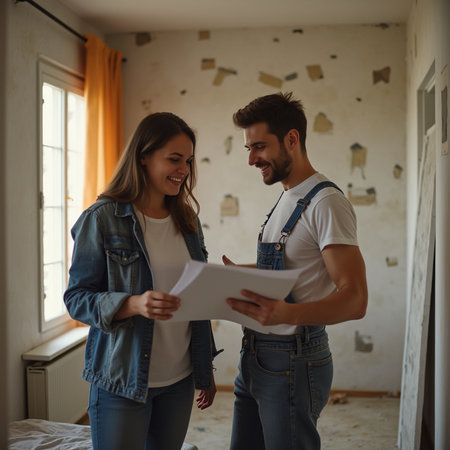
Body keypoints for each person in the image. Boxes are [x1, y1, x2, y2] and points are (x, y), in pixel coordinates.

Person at [64, 112, 220, 450]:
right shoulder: (101, 218)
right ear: (144, 157)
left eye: (188, 161)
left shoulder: (188, 220)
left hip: (179, 380)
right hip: (122, 381)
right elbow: (76, 298)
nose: (184, 170)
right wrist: (132, 304)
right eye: (174, 159)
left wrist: (204, 370)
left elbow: (197, 297)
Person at [223, 92, 368, 450]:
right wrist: (237, 275)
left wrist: (288, 313)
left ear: (292, 138)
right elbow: (294, 267)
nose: (252, 159)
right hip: (255, 355)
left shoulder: (327, 203)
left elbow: (355, 299)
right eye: (248, 149)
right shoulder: (287, 196)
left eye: (259, 147)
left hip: (293, 358)